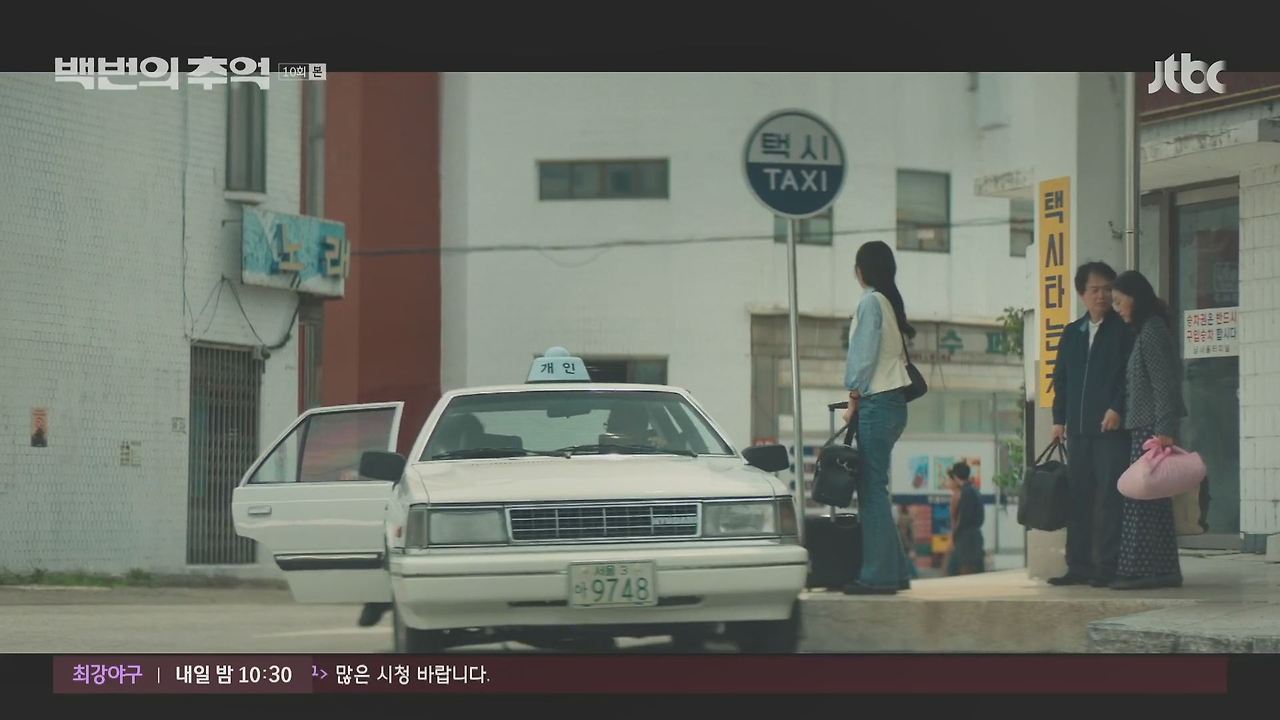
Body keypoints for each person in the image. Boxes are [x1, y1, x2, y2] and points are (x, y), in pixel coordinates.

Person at [1047, 261, 1134, 588]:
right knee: (1079, 498)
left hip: (1110, 431)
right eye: (1095, 289)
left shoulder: (1123, 330)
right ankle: (1078, 566)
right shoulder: (1072, 333)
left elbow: (1129, 376)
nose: (1102, 295)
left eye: (1108, 289)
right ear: (1082, 293)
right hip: (1079, 431)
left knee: (1110, 499)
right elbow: (1061, 379)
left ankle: (1107, 566)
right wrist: (1058, 420)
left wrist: (1117, 407)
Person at [840, 240, 914, 595]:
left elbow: (863, 356)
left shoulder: (870, 302)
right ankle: (895, 572)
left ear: (861, 270)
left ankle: (878, 576)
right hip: (893, 403)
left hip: (877, 402)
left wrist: (853, 397)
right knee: (876, 488)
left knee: (870, 490)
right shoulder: (888, 302)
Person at [1110, 270, 1187, 590]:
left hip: (1151, 431)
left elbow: (1165, 384)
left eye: (1119, 301)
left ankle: (1139, 571)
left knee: (1140, 500)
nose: (1116, 308)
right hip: (1146, 427)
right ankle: (1165, 570)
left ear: (1135, 298)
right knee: (1155, 503)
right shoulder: (1147, 330)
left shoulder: (1152, 331)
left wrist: (1165, 430)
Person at [945, 462, 985, 576]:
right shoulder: (974, 490)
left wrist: (954, 536)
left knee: (965, 573)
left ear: (956, 477)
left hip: (966, 539)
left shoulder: (965, 493)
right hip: (975, 536)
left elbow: (962, 518)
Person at [897, 505, 920, 579]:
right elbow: (906, 536)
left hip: (905, 549)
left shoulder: (904, 519)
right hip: (906, 549)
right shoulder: (905, 519)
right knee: (911, 570)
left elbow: (907, 535)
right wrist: (911, 549)